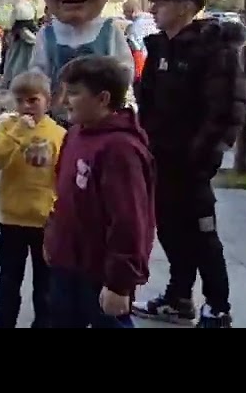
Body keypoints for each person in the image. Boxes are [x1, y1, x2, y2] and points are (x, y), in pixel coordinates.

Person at [131, 0, 246, 329]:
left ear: (184, 7)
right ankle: (178, 297)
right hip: (161, 157)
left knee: (201, 233)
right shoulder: (160, 48)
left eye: (160, 4)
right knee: (169, 228)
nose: (152, 10)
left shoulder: (214, 50)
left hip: (193, 162)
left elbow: (227, 108)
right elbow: (148, 102)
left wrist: (205, 154)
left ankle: (217, 308)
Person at [45, 55, 154, 329]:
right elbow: (64, 195)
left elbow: (130, 221)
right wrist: (52, 237)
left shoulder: (120, 149)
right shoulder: (75, 134)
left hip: (99, 272)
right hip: (67, 262)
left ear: (103, 99)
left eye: (74, 93)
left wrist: (120, 283)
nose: (64, 100)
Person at [0, 70, 65, 329]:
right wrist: (17, 132)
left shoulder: (58, 133)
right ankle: (4, 320)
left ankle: (44, 322)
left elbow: (64, 173)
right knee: (9, 277)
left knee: (45, 281)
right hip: (13, 216)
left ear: (48, 100)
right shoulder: (8, 127)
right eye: (20, 101)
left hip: (45, 218)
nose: (26, 107)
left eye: (33, 100)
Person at [31, 0, 134, 123]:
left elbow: (124, 76)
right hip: (55, 124)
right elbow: (38, 74)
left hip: (102, 126)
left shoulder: (109, 32)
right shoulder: (47, 35)